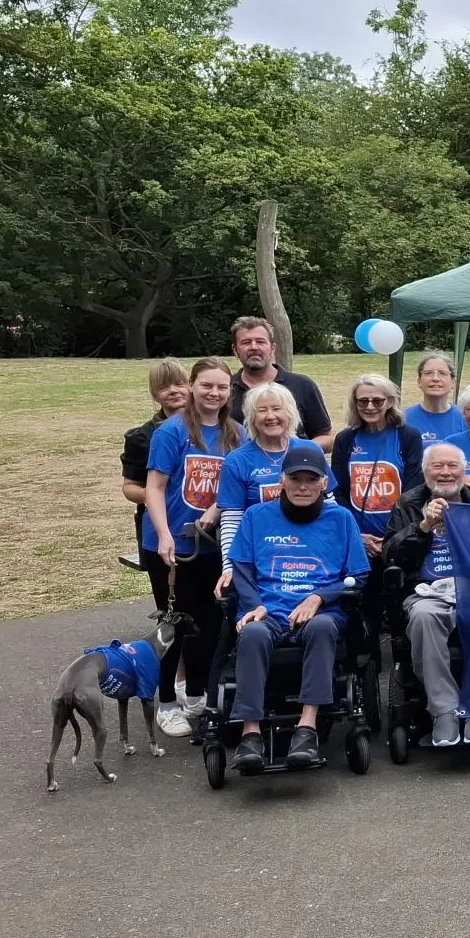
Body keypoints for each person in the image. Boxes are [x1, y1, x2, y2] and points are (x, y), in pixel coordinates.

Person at [227, 441, 368, 773]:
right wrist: (255, 605)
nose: (303, 487)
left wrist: (319, 598)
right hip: (268, 609)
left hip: (321, 612)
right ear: (282, 481)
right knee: (252, 634)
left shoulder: (341, 519)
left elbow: (359, 575)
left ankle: (307, 727)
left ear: (324, 483)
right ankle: (251, 733)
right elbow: (241, 570)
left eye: (311, 480)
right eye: (295, 479)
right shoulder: (256, 516)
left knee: (321, 629)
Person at [143, 357, 239, 738]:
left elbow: (238, 482)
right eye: (206, 386)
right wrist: (164, 534)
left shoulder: (236, 433)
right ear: (193, 386)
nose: (214, 393)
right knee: (175, 625)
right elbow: (155, 487)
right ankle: (165, 701)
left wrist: (216, 509)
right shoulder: (171, 431)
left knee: (210, 623)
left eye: (221, 387)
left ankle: (197, 693)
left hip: (214, 547)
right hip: (171, 548)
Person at [384, 442, 470, 748]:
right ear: (425, 471)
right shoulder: (408, 504)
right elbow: (391, 555)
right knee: (423, 617)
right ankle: (444, 710)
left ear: (464, 469)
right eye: (437, 466)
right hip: (426, 591)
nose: (445, 473)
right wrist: (424, 526)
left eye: (452, 466)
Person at [331, 374, 424, 568]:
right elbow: (338, 491)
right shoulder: (345, 439)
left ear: (390, 402)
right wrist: (357, 534)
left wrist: (393, 536)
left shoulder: (408, 436)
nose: (370, 407)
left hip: (399, 537)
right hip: (359, 539)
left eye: (377, 401)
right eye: (363, 401)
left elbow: (413, 490)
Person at [218, 383, 312, 568]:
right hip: (259, 554)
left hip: (308, 551)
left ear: (290, 413)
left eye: (277, 409)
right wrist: (229, 567)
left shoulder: (310, 450)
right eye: (262, 410)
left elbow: (330, 506)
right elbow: (231, 520)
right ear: (252, 418)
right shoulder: (237, 460)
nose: (270, 416)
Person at [121, 358, 190, 568]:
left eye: (179, 384)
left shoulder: (214, 428)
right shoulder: (142, 437)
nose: (173, 391)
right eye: (164, 387)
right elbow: (129, 487)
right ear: (154, 394)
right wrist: (153, 495)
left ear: (191, 386)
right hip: (161, 530)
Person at [226, 315, 332, 441]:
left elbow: (325, 437)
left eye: (260, 341)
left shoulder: (303, 385)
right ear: (235, 350)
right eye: (246, 342)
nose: (254, 347)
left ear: (272, 348)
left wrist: (298, 452)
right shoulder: (224, 389)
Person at [408, 351, 469, 449]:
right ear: (419, 382)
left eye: (442, 373)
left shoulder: (466, 418)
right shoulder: (404, 419)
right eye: (428, 373)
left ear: (453, 382)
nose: (435, 378)